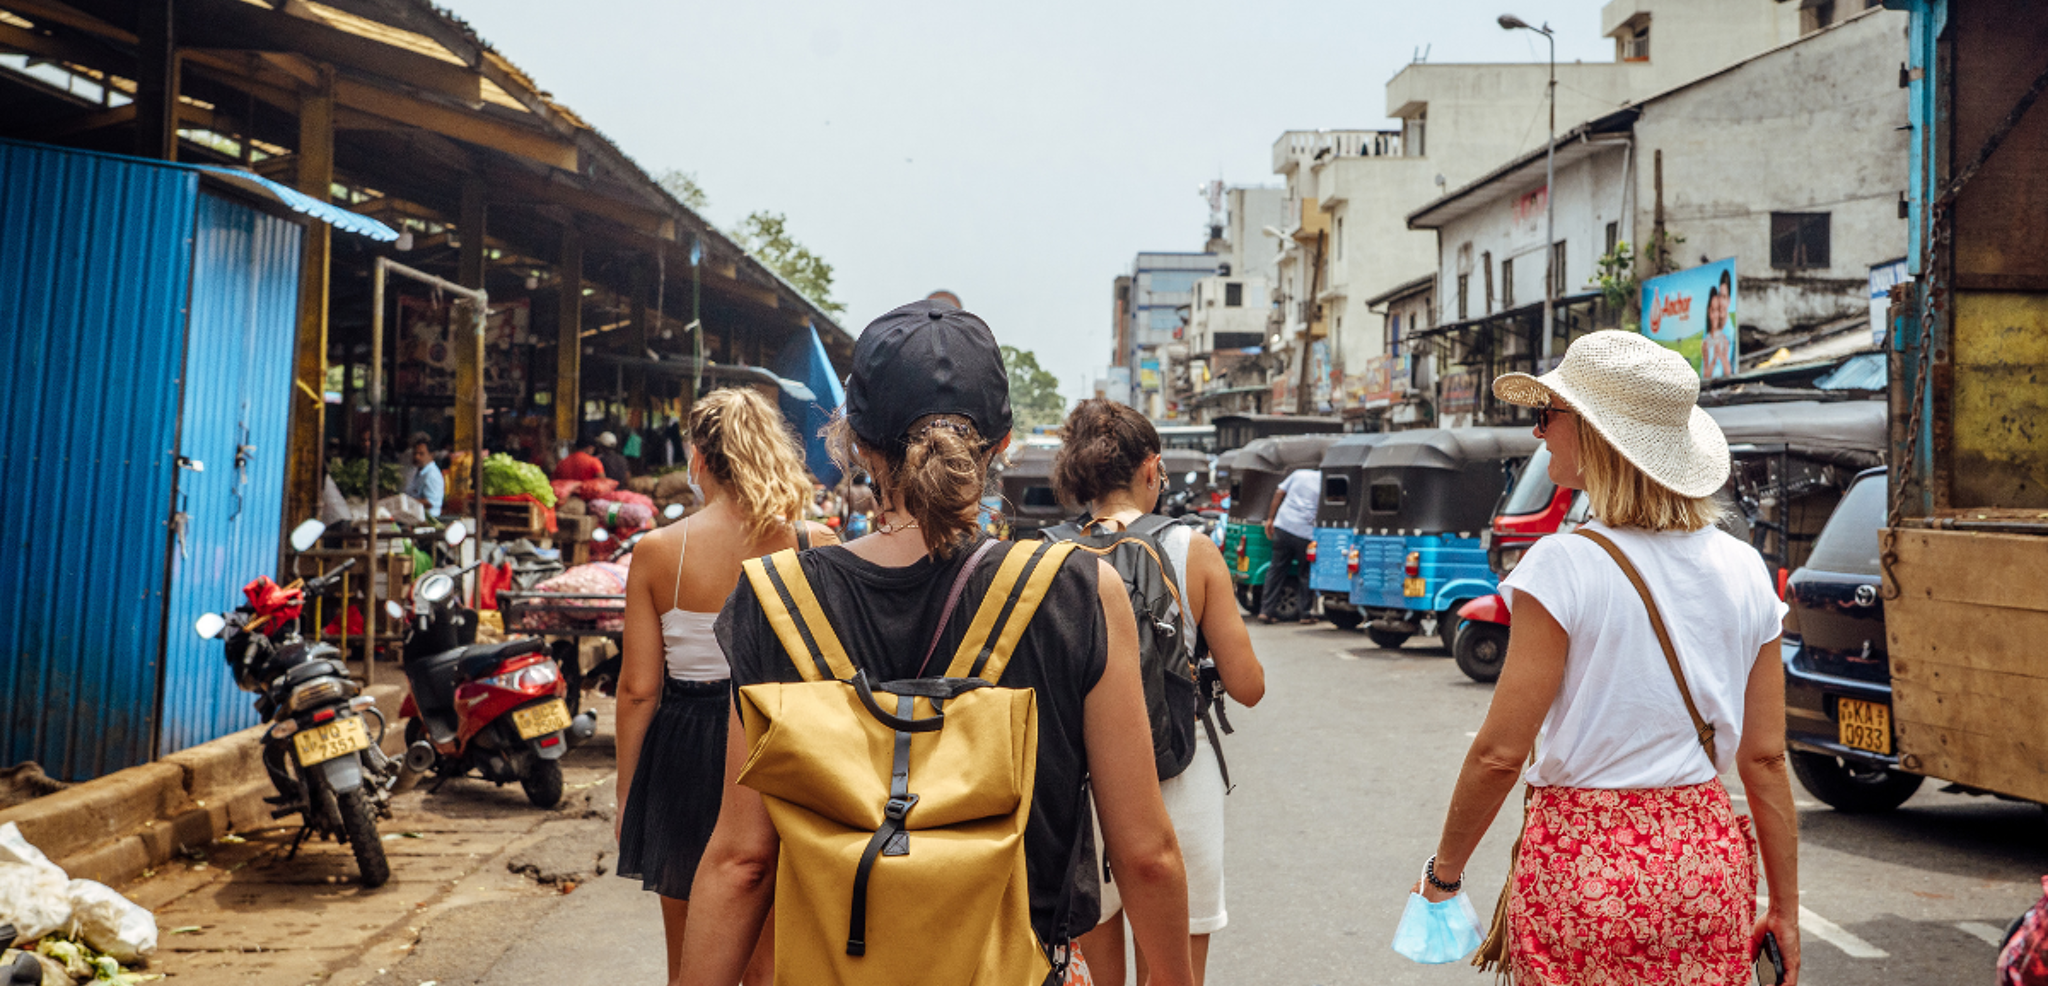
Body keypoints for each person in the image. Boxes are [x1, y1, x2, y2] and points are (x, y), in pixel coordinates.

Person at [679, 300, 1193, 986]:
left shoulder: (775, 599)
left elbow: (742, 863)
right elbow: (1146, 855)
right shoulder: (1078, 592)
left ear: (856, 444)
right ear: (1001, 444)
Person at [1414, 330, 1800, 985]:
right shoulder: (1744, 568)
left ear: (1595, 434)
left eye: (1548, 415)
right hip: (1705, 868)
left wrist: (1443, 874)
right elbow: (1764, 759)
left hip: (1587, 872)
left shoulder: (1563, 564)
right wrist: (1785, 911)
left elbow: (1501, 754)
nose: (1538, 432)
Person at [614, 388, 837, 985]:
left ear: (699, 457)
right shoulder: (816, 544)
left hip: (685, 751)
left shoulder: (658, 551)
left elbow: (639, 690)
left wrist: (628, 794)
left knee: (689, 964)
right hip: (781, 748)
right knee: (768, 966)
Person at [1054, 398, 1265, 986]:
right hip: (1177, 772)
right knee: (1174, 972)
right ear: (1151, 468)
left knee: (1096, 970)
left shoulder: (1049, 554)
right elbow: (1248, 686)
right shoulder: (1192, 549)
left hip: (1080, 784)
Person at [1259, 465, 1320, 624]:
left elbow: (1279, 493)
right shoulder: (1324, 482)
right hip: (1305, 533)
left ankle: (1266, 611)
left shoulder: (1298, 474)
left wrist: (1271, 518)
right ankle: (1305, 614)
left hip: (1283, 527)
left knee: (1276, 570)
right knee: (1305, 573)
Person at [402, 433, 444, 517]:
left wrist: (405, 503)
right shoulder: (420, 472)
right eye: (415, 454)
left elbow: (430, 502)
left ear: (431, 455)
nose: (417, 457)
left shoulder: (432, 474)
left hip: (429, 519)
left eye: (421, 454)